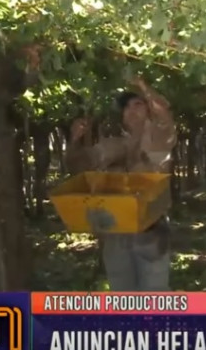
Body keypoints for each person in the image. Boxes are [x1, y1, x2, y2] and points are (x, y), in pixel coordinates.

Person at [66, 77, 176, 291]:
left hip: (150, 232)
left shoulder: (159, 140)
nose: (131, 110)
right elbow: (79, 167)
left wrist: (144, 87)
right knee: (122, 302)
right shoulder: (113, 145)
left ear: (149, 110)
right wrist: (74, 140)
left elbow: (165, 117)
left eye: (138, 104)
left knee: (154, 303)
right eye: (126, 107)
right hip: (114, 234)